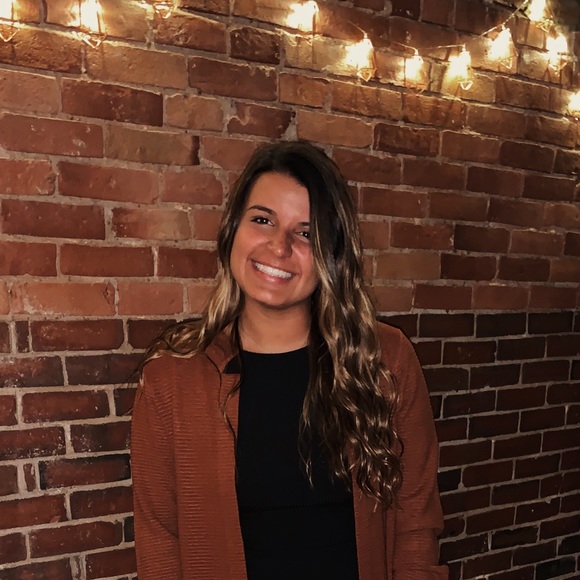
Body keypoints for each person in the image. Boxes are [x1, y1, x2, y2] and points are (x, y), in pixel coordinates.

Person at [131, 140, 448, 580]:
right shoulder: (172, 377)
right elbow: (160, 540)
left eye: (306, 233)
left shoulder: (384, 361)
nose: (279, 246)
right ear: (232, 230)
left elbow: (416, 521)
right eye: (262, 219)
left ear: (330, 254)